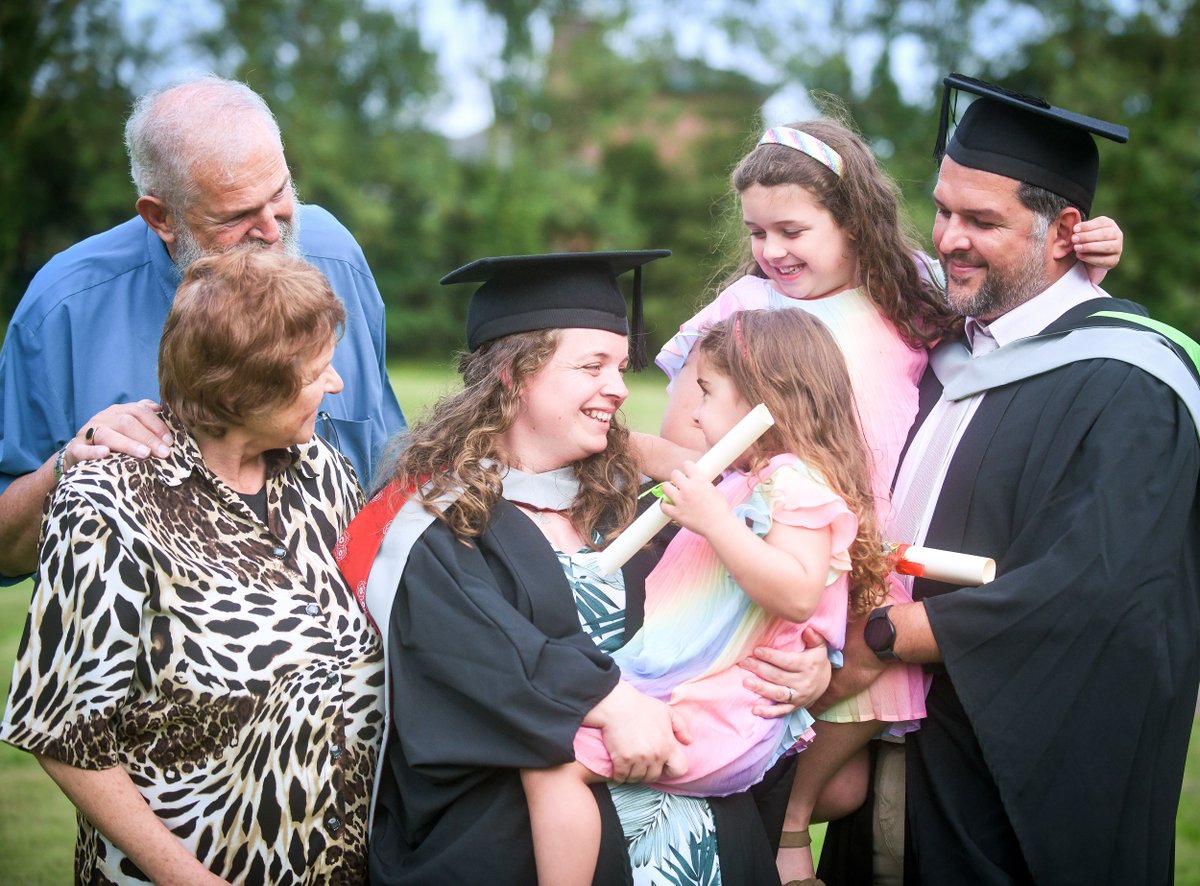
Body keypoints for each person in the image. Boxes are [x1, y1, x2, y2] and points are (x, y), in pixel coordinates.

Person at [653, 112, 1126, 886]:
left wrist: (1090, 257)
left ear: (852, 219)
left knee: (850, 740)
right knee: (769, 730)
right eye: (758, 232)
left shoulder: (909, 287)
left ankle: (790, 826)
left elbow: (1011, 299)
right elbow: (684, 428)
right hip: (771, 540)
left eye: (793, 230)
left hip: (874, 545)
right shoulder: (745, 307)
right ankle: (774, 834)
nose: (772, 251)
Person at [335, 251, 834, 885]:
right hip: (526, 844)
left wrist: (804, 670)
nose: (621, 388)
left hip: (701, 843)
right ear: (515, 374)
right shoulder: (435, 520)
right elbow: (477, 654)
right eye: (592, 366)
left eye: (621, 367)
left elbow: (743, 612)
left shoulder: (643, 512)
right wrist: (609, 701)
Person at [832, 73, 1200, 883]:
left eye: (981, 221)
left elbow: (1098, 593)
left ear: (1065, 230)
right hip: (886, 757)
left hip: (1011, 799)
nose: (948, 237)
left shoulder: (1129, 383)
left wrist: (886, 638)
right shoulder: (942, 350)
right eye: (943, 209)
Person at [0, 248, 384, 883]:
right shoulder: (108, 505)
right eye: (317, 370)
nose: (337, 383)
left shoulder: (323, 471)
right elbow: (66, 736)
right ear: (240, 391)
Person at [522, 308, 890, 886]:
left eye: (706, 391)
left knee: (553, 765)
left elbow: (797, 593)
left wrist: (716, 523)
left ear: (761, 402)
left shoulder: (794, 483)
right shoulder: (754, 480)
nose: (693, 412)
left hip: (716, 717)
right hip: (707, 708)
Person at [0, 74, 404, 579]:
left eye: (280, 192)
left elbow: (388, 469)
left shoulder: (335, 254)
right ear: (160, 217)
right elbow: (3, 552)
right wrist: (66, 469)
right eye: (236, 216)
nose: (274, 232)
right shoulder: (63, 310)